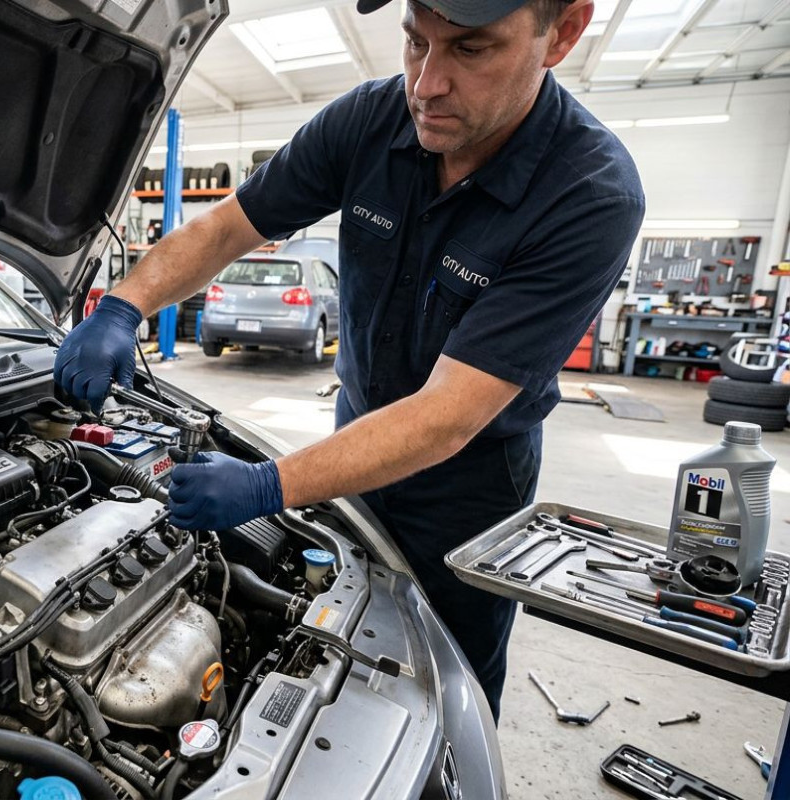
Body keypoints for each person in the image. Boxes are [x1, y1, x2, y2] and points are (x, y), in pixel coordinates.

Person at [53, 0, 644, 718]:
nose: (426, 84)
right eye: (414, 41)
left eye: (471, 49)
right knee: (335, 649)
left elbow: (447, 418)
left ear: (565, 33)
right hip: (356, 432)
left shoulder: (590, 193)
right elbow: (226, 229)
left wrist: (268, 485)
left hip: (471, 490)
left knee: (445, 691)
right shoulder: (368, 120)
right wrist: (124, 305)